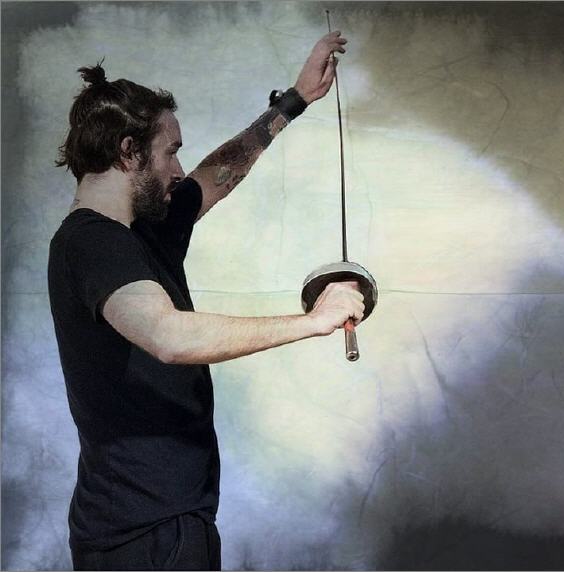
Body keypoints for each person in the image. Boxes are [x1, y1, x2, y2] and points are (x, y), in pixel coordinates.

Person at [47, 31, 364, 571]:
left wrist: (294, 101)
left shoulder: (146, 227)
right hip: (139, 538)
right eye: (169, 152)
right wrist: (312, 321)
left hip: (176, 521)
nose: (178, 170)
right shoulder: (91, 243)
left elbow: (217, 174)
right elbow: (168, 336)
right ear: (128, 152)